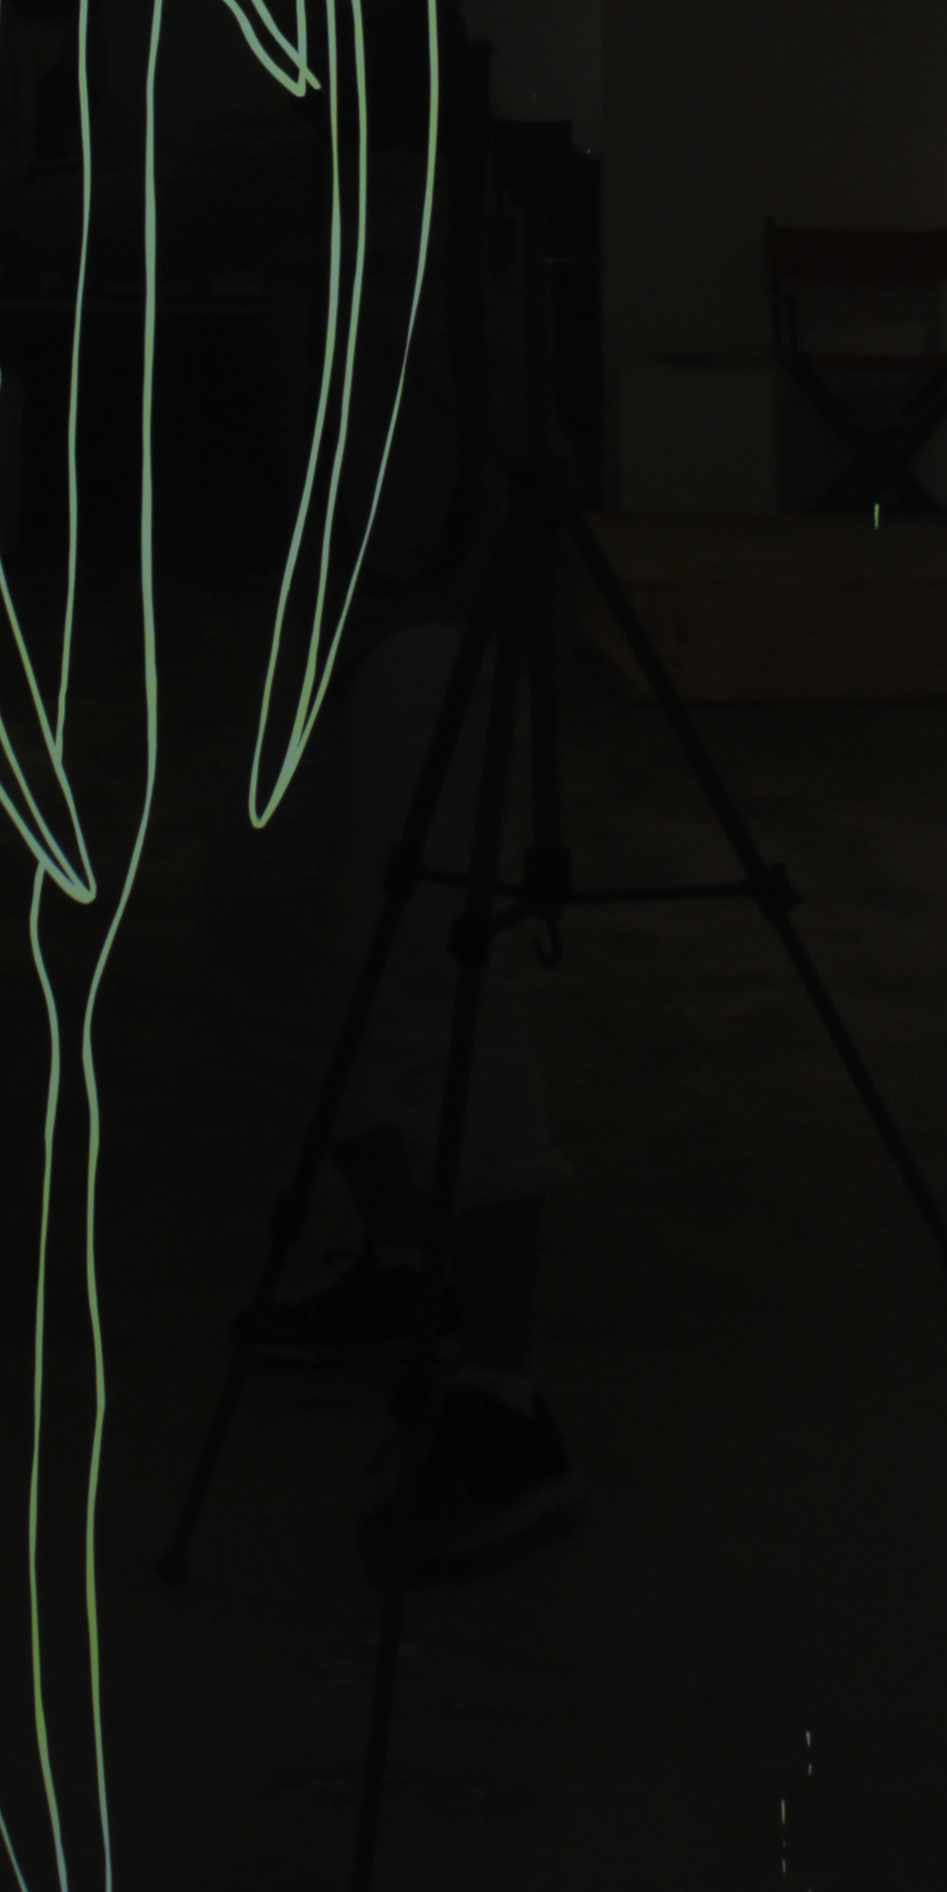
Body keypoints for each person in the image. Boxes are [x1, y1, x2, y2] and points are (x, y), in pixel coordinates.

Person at [255, 607, 581, 1579]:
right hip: (339, 599)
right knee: (269, 922)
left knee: (435, 964)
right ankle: (412, 1275)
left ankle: (499, 1396)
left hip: (448, 596)